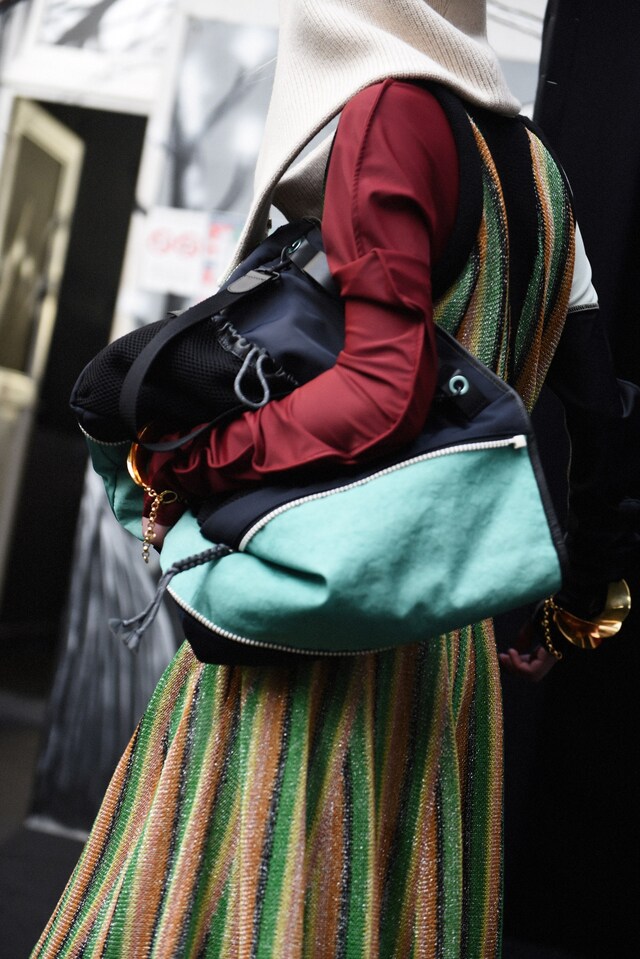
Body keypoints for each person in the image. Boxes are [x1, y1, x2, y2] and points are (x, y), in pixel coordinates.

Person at [31, 1, 639, 957]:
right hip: (446, 640)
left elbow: (379, 389)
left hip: (321, 626)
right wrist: (578, 608)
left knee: (242, 904)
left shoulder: (391, 111)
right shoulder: (541, 175)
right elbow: (604, 418)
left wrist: (188, 467)